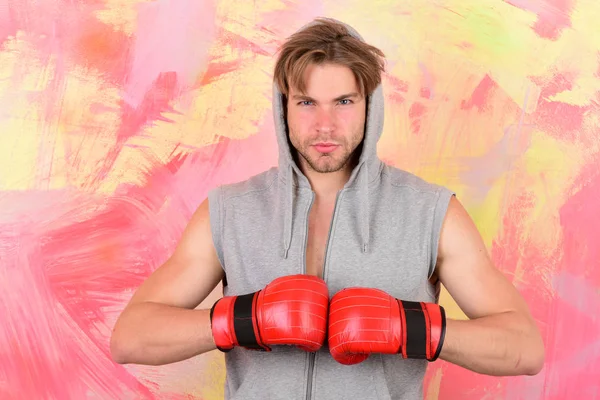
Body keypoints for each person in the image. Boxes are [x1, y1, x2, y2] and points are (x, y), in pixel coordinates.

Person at [110, 17, 545, 400]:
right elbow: (131, 338)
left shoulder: (431, 213)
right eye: (306, 102)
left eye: (344, 101)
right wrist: (247, 320)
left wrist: (409, 327)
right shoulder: (229, 211)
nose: (325, 125)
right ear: (284, 107)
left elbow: (524, 348)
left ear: (369, 105)